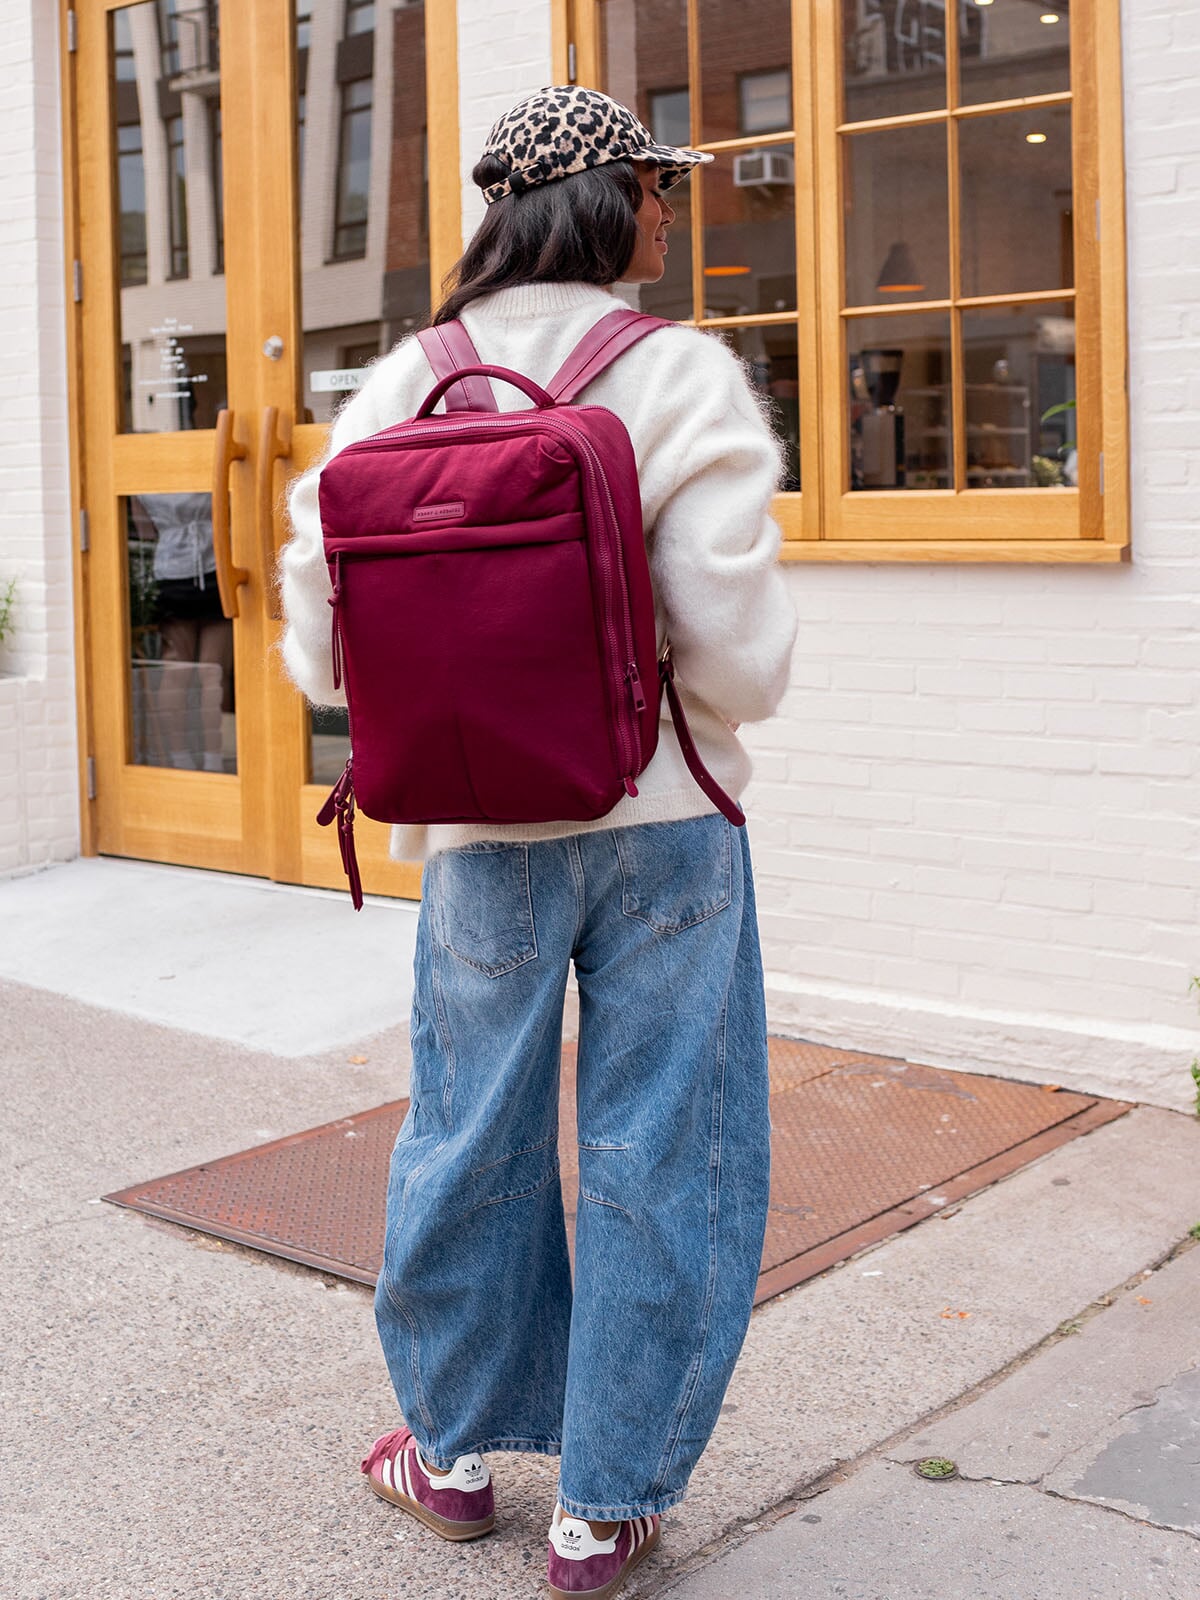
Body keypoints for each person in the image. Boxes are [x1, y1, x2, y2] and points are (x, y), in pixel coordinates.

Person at [280, 84, 797, 1600]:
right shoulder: (679, 376)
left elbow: (322, 643)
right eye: (660, 186)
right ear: (616, 198)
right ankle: (605, 1507)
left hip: (476, 833)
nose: (669, 210)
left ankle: (446, 1453)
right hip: (662, 826)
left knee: (467, 1131)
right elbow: (742, 661)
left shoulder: (402, 384)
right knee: (664, 1145)